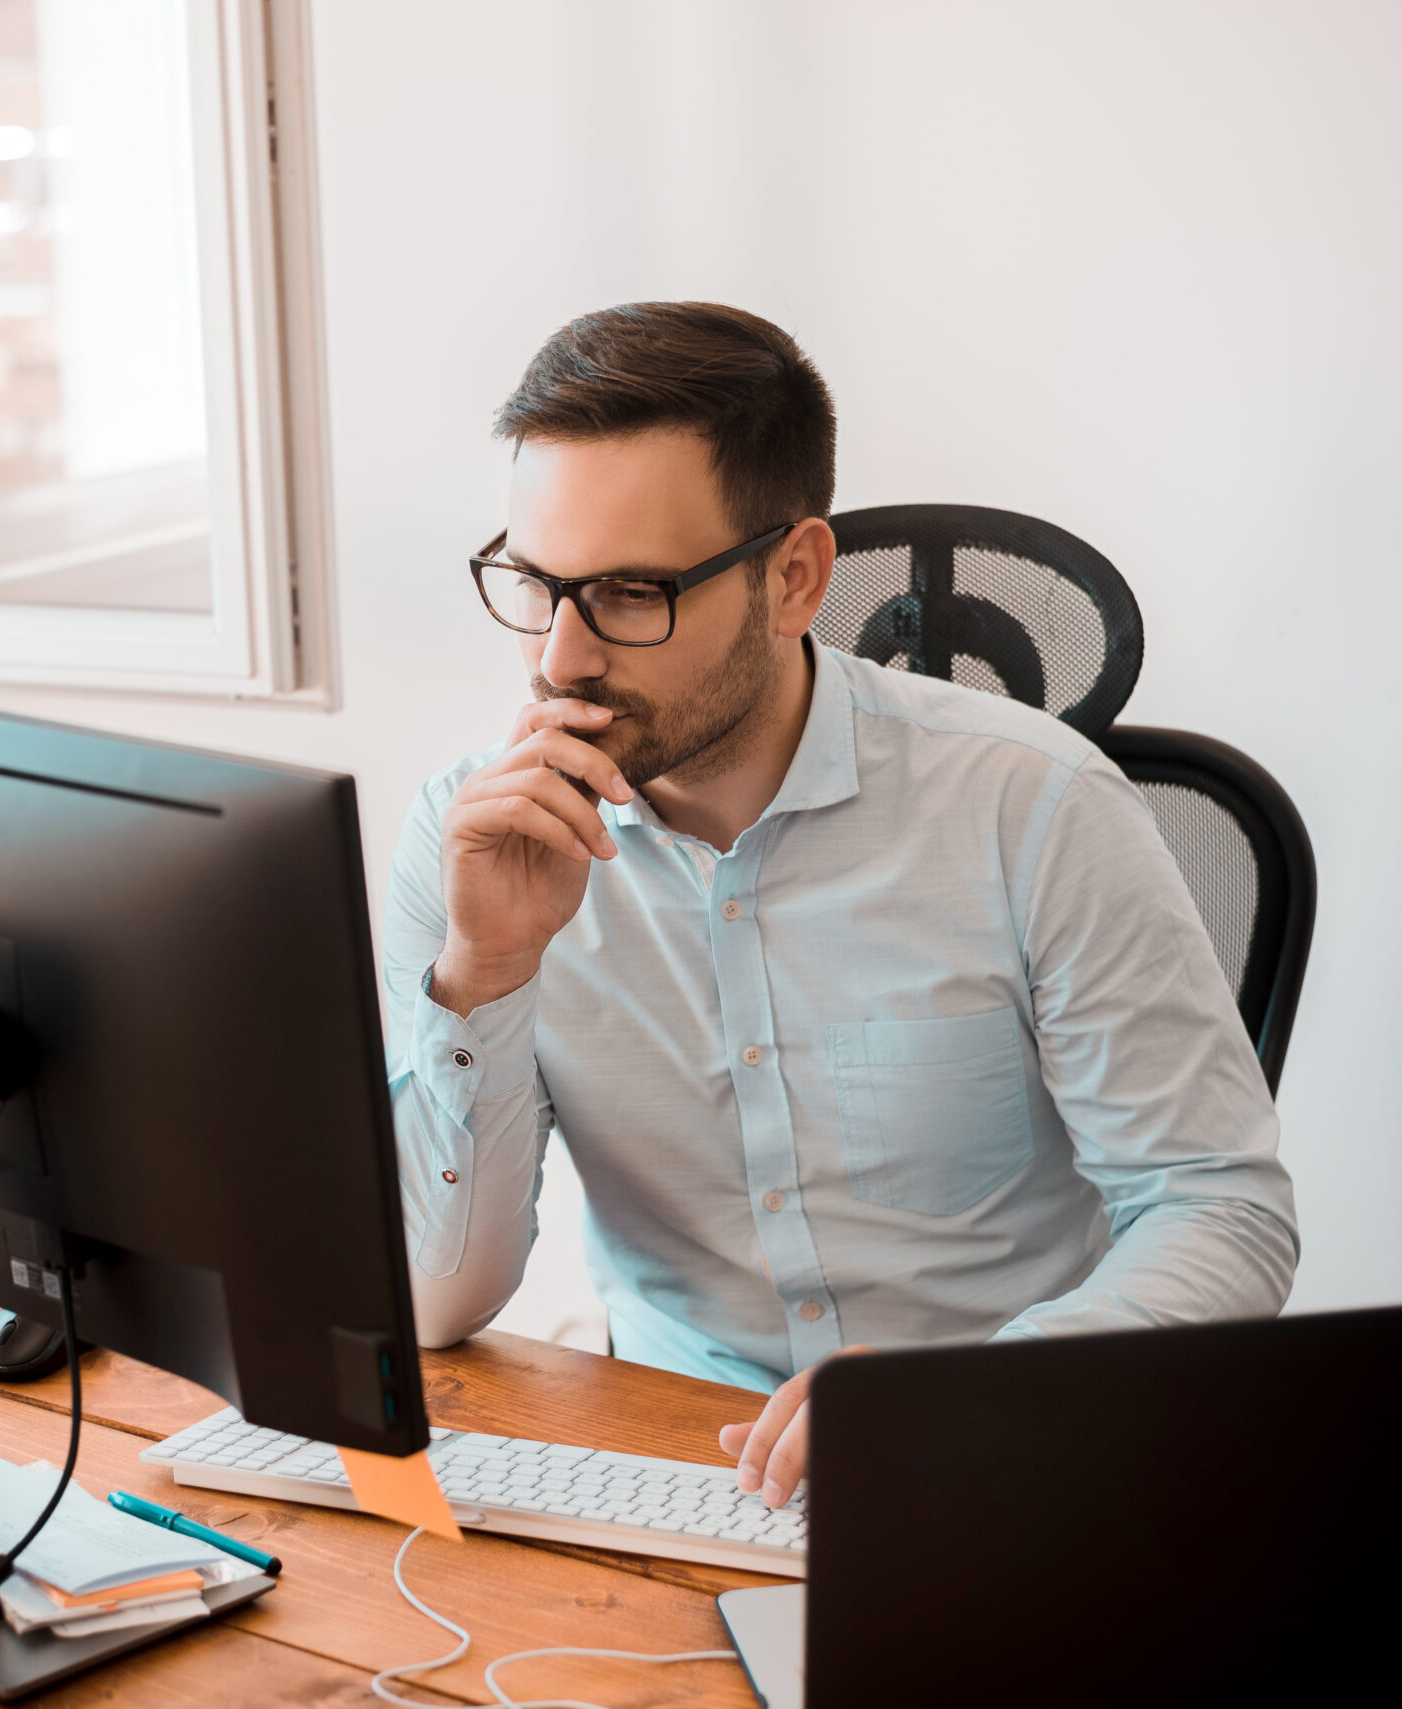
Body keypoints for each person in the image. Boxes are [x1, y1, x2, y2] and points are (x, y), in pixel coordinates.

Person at [383, 301, 1296, 1510]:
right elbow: (436, 1302)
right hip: (671, 1449)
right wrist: (485, 967)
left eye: (627, 592)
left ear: (794, 578)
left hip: (997, 1449)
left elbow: (1217, 1210)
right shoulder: (475, 839)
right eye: (535, 583)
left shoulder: (1035, 808)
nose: (560, 656)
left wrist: (983, 1391)